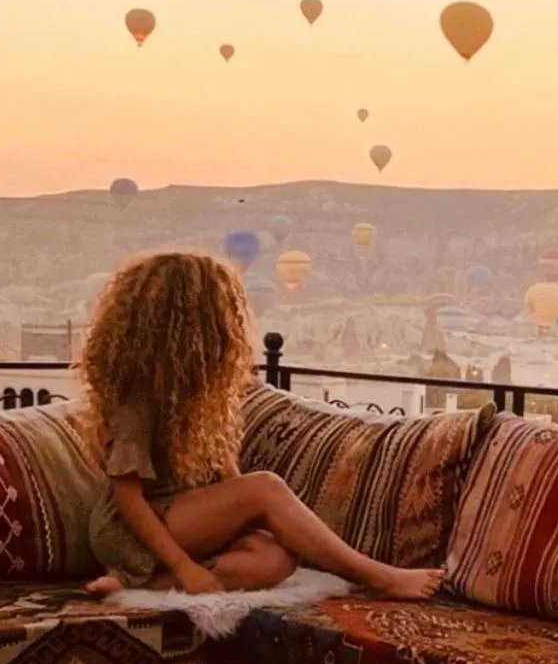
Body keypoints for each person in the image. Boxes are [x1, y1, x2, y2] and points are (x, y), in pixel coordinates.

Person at [82, 251, 444, 599]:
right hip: (131, 528)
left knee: (275, 559)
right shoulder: (141, 394)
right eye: (219, 311)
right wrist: (183, 564)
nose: (228, 322)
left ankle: (140, 587)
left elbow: (225, 476)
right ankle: (377, 577)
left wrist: (245, 523)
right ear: (187, 323)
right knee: (265, 487)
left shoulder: (204, 391)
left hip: (183, 514)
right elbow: (127, 498)